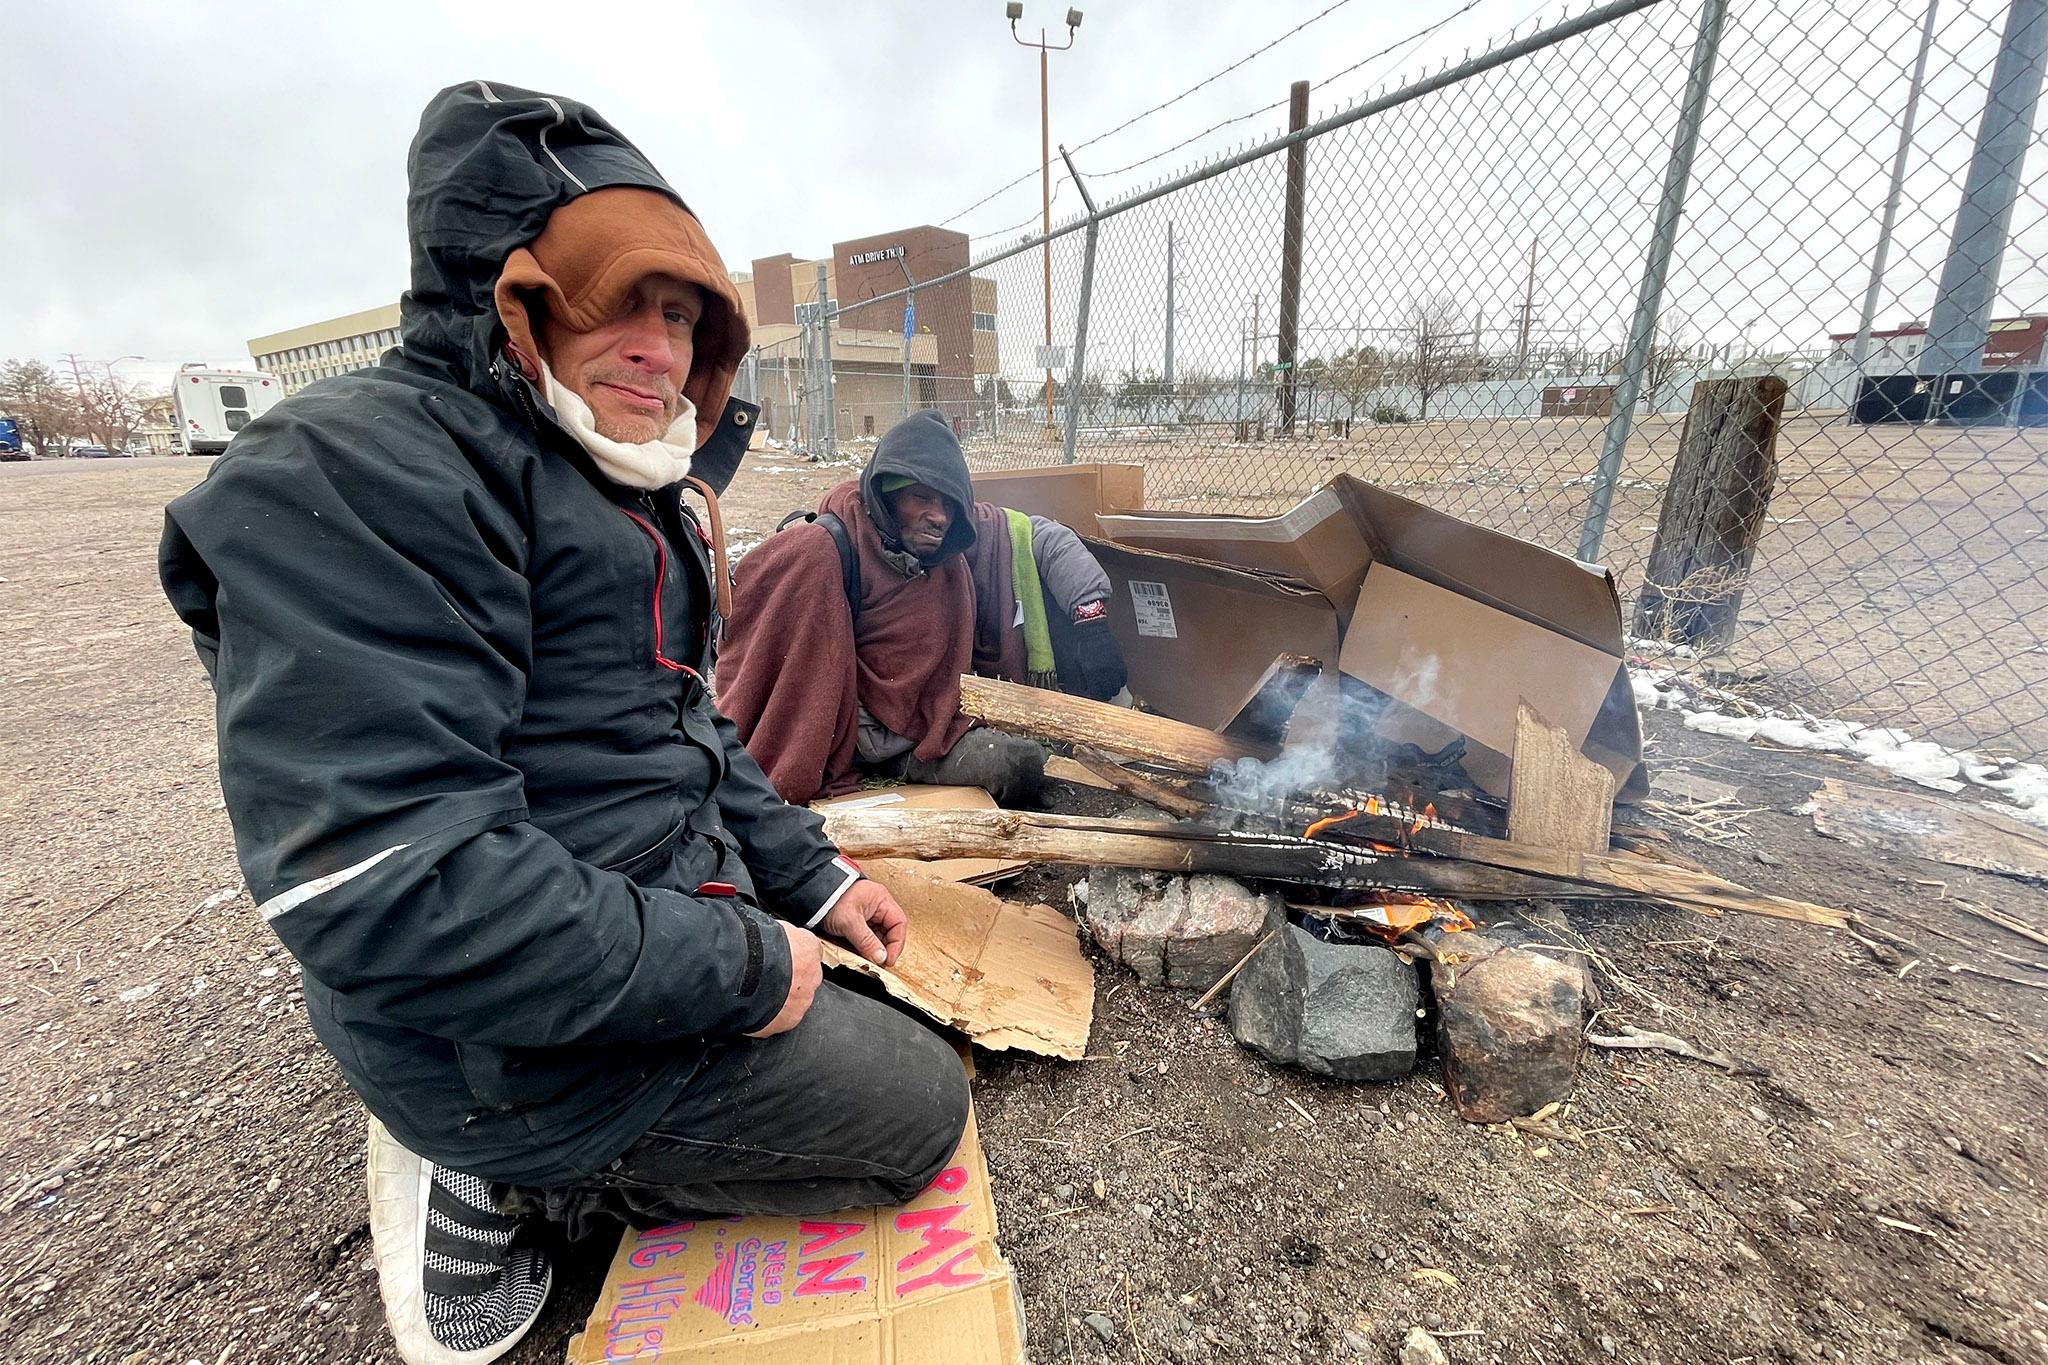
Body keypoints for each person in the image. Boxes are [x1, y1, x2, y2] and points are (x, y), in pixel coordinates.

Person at [158, 82, 968, 1365]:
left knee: (886, 1017)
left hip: (616, 906)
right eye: (620, 303)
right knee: (916, 1111)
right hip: (494, 1024)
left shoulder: (608, 477)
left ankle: (563, 1105)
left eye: (682, 311)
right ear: (516, 293)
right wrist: (744, 968)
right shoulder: (361, 477)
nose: (658, 346)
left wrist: (810, 883)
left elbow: (680, 730)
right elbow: (391, 888)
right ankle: (490, 1174)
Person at [716, 410, 1127, 806]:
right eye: (922, 498)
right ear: (886, 497)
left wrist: (1091, 621)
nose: (938, 517)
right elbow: (749, 619)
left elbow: (1046, 539)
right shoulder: (824, 548)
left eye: (949, 504)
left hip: (924, 729)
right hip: (849, 737)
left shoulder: (951, 549)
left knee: (1022, 763)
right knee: (1018, 765)